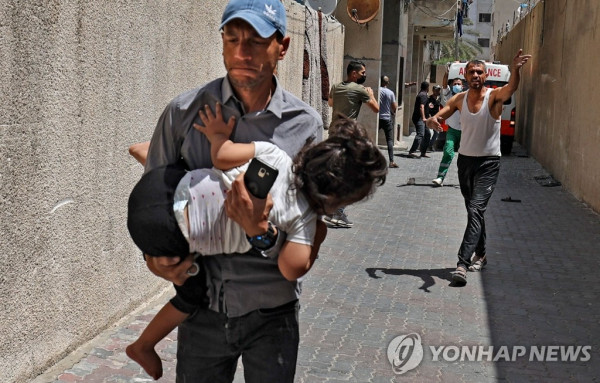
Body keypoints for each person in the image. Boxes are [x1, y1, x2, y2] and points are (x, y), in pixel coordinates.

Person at [139, 0, 329, 381]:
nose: (242, 52)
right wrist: (155, 259)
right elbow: (154, 202)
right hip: (202, 310)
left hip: (272, 314)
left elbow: (309, 229)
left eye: (257, 41)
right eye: (232, 38)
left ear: (283, 47)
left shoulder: (305, 126)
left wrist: (261, 230)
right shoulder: (183, 112)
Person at [126, 111, 387, 380]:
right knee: (192, 294)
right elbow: (291, 268)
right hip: (164, 233)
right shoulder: (304, 217)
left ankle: (148, 155)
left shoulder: (273, 155)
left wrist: (217, 135)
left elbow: (221, 156)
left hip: (157, 187)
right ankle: (143, 346)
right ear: (337, 198)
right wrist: (316, 240)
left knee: (199, 171)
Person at [427, 49, 531, 284]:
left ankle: (462, 264)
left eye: (479, 72)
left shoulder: (493, 97)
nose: (475, 75)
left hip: (488, 163)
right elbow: (441, 115)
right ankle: (481, 253)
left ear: (485, 76)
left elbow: (511, 88)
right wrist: (434, 120)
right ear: (465, 75)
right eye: (472, 72)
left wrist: (515, 70)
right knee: (475, 211)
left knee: (475, 209)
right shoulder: (459, 98)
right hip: (465, 161)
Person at [325, 60, 379, 228]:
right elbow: (376, 108)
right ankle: (337, 211)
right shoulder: (360, 90)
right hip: (348, 136)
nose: (364, 76)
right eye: (362, 73)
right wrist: (371, 94)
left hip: (333, 133)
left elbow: (330, 103)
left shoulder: (336, 86)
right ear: (354, 74)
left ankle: (332, 207)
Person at [432, 76, 465, 186]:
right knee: (448, 152)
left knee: (466, 157)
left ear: (463, 86)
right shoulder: (449, 95)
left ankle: (466, 180)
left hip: (465, 132)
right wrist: (446, 73)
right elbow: (445, 84)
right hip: (452, 131)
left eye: (459, 84)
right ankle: (440, 177)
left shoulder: (466, 97)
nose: (457, 86)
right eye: (455, 84)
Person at [379, 75, 399, 168]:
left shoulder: (377, 90)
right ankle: (391, 161)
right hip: (387, 118)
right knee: (389, 141)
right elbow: (394, 107)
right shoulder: (390, 93)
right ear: (387, 83)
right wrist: (393, 112)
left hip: (378, 118)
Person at [408, 81, 430, 158]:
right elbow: (422, 107)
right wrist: (423, 117)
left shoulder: (422, 94)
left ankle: (423, 152)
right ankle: (412, 152)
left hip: (423, 118)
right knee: (420, 134)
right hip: (420, 118)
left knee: (427, 134)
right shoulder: (423, 95)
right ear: (427, 88)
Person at [427, 84, 442, 152]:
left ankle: (430, 145)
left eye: (438, 90)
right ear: (433, 90)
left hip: (436, 119)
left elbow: (439, 108)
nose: (437, 91)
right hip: (430, 118)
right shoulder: (429, 99)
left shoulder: (439, 99)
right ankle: (425, 145)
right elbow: (427, 109)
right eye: (436, 90)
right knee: (429, 133)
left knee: (436, 133)